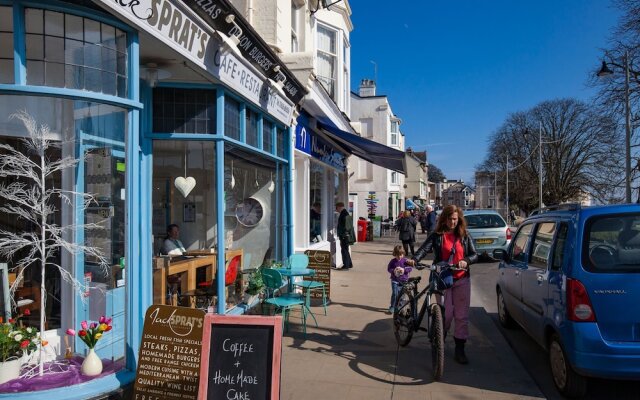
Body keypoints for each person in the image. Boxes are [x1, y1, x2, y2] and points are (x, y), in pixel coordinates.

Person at [413, 205, 478, 365]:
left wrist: (466, 261)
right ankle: (440, 338)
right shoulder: (437, 235)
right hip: (443, 279)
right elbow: (423, 250)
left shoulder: (464, 235)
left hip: (462, 279)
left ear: (459, 219)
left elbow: (475, 254)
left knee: (461, 316)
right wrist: (414, 259)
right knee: (446, 315)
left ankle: (460, 349)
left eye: (455, 219)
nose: (452, 222)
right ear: (444, 219)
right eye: (450, 219)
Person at [387, 245, 415, 313]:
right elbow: (389, 269)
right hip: (395, 280)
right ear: (394, 254)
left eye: (401, 254)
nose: (399, 256)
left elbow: (410, 268)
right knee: (395, 293)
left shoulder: (406, 261)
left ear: (403, 254)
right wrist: (393, 270)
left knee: (403, 295)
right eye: (397, 255)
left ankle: (400, 307)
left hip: (404, 280)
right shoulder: (392, 261)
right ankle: (392, 306)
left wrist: (404, 270)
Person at [336, 202, 354, 269]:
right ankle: (349, 264)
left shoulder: (344, 214)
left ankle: (346, 265)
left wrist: (344, 235)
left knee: (344, 250)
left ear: (339, 207)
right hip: (345, 235)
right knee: (345, 249)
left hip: (344, 235)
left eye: (336, 208)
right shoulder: (345, 213)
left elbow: (346, 226)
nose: (336, 210)